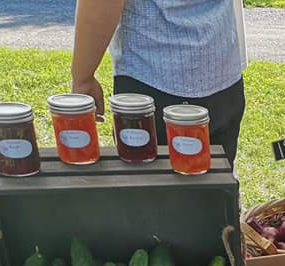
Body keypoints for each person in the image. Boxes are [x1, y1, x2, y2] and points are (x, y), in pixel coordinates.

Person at [71, 0, 248, 166]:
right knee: (214, 189)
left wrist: (82, 79)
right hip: (223, 75)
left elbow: (100, 6)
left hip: (152, 81)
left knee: (151, 191)